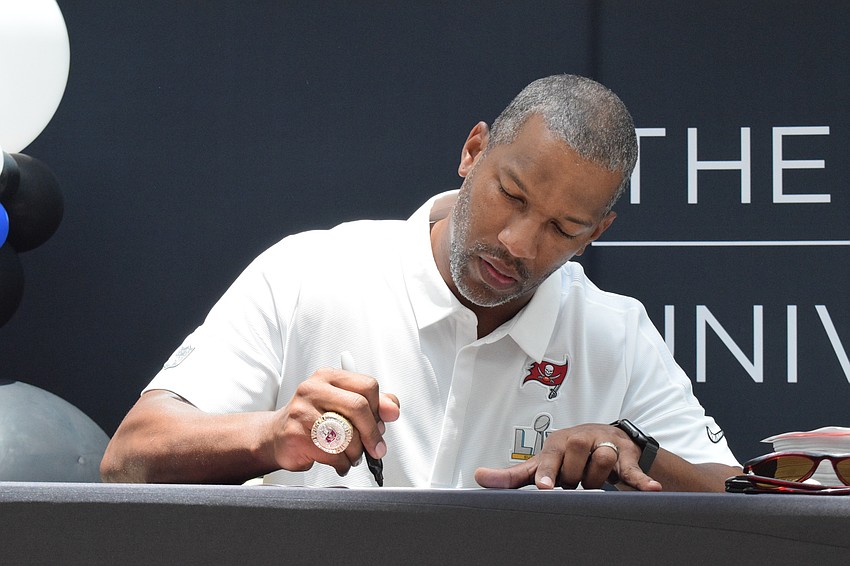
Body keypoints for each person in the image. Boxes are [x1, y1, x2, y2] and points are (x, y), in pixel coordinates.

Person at [101, 74, 741, 491]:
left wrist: (636, 451)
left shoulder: (614, 334)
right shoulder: (309, 271)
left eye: (562, 228)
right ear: (473, 152)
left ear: (596, 232)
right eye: (511, 194)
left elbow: (742, 507)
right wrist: (271, 437)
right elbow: (129, 457)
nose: (519, 242)